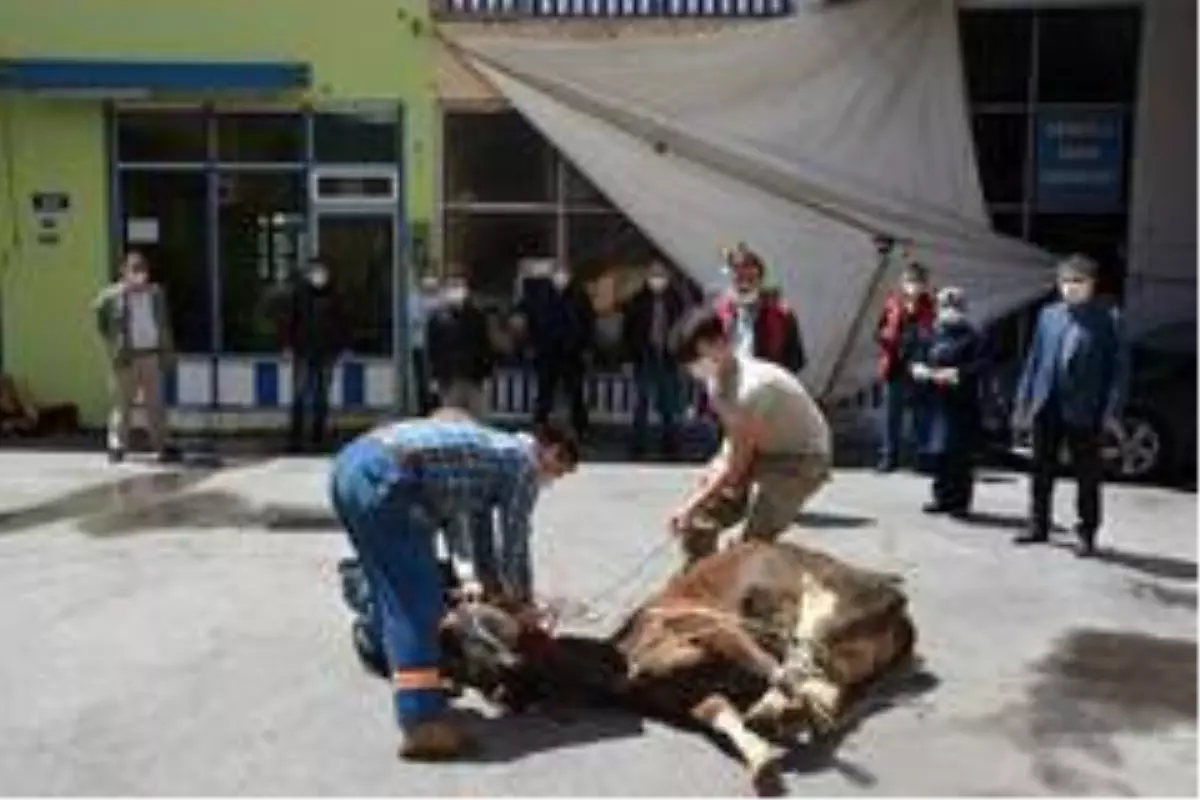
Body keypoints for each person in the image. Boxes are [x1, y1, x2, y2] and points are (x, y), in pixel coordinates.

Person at [329, 417, 579, 759]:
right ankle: (422, 722)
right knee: (418, 603)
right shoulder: (523, 465)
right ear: (550, 451)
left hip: (351, 467)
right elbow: (515, 541)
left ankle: (380, 649)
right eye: (560, 470)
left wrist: (490, 587)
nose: (553, 479)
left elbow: (481, 534)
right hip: (390, 481)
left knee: (385, 579)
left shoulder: (492, 453)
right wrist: (522, 604)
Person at [667, 307, 832, 569]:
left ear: (720, 343)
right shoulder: (716, 382)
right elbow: (732, 441)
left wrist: (691, 503)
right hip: (759, 449)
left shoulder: (753, 387)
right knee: (700, 519)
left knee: (750, 544)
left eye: (696, 357)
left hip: (800, 460)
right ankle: (699, 579)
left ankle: (746, 599)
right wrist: (710, 477)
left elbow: (738, 464)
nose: (693, 368)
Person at [1012, 254, 1128, 557]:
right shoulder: (1048, 315)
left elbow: (1118, 370)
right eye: (1065, 281)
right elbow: (1034, 359)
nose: (1070, 287)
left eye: (1078, 281)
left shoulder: (1108, 318)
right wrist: (1024, 400)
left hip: (1085, 408)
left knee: (1087, 474)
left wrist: (1110, 411)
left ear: (1092, 284)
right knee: (1040, 469)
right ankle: (1038, 524)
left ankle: (1087, 532)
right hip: (1047, 402)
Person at [91, 250, 181, 464]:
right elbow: (99, 318)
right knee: (122, 403)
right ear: (124, 272)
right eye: (135, 270)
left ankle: (162, 445)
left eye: (143, 270)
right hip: (126, 356)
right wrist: (112, 343)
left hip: (151, 355)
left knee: (156, 403)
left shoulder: (155, 293)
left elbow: (164, 324)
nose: (140, 275)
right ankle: (117, 446)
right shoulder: (112, 296)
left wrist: (167, 351)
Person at [910, 287, 987, 518]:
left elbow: (980, 366)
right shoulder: (931, 334)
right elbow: (917, 357)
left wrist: (957, 373)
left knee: (959, 455)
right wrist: (919, 369)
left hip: (961, 404)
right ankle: (941, 497)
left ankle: (960, 501)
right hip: (936, 403)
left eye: (954, 307)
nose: (949, 312)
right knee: (939, 452)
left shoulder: (973, 336)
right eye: (945, 307)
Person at [517, 263, 596, 438]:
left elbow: (588, 323)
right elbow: (528, 320)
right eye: (558, 273)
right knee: (545, 393)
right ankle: (540, 427)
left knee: (575, 393)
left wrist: (586, 347)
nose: (561, 278)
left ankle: (580, 429)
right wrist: (531, 345)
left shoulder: (579, 296)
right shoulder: (540, 296)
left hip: (572, 353)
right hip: (547, 352)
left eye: (565, 273)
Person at [278, 257, 348, 454]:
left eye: (322, 272)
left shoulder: (334, 295)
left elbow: (342, 322)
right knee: (300, 395)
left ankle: (318, 438)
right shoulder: (300, 294)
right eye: (315, 272)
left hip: (327, 353)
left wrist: (341, 347)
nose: (319, 276)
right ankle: (295, 439)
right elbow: (290, 320)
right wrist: (287, 345)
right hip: (303, 351)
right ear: (309, 274)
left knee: (321, 396)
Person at [620, 261, 689, 459]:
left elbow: (684, 330)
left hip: (669, 358)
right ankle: (638, 445)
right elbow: (628, 333)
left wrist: (684, 357)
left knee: (669, 405)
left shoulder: (676, 301)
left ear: (667, 279)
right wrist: (627, 359)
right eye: (654, 277)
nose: (657, 281)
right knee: (641, 403)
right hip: (645, 356)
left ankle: (671, 445)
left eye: (661, 277)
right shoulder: (637, 301)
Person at [874, 254, 936, 472]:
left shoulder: (930, 305)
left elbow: (934, 335)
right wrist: (887, 338)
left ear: (924, 284)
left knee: (921, 415)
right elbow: (879, 330)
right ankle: (889, 457)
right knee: (891, 415)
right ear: (902, 282)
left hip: (918, 366)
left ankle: (922, 458)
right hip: (894, 365)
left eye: (917, 281)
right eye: (909, 280)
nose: (913, 285)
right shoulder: (892, 303)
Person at [713, 243, 806, 373]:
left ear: (760, 276)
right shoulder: (717, 313)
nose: (743, 274)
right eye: (737, 270)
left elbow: (795, 362)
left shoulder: (782, 315)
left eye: (749, 268)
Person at [426, 271, 494, 418]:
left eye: (459, 285)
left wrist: (486, 373)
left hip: (473, 379)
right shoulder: (437, 319)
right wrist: (435, 378)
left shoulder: (476, 316)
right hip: (449, 380)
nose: (456, 291)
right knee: (451, 423)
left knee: (476, 421)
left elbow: (484, 345)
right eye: (452, 285)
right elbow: (433, 350)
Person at [410, 275, 442, 415]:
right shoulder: (415, 301)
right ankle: (424, 406)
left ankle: (435, 404)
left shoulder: (441, 301)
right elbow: (415, 319)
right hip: (420, 345)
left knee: (435, 377)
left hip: (437, 346)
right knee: (423, 378)